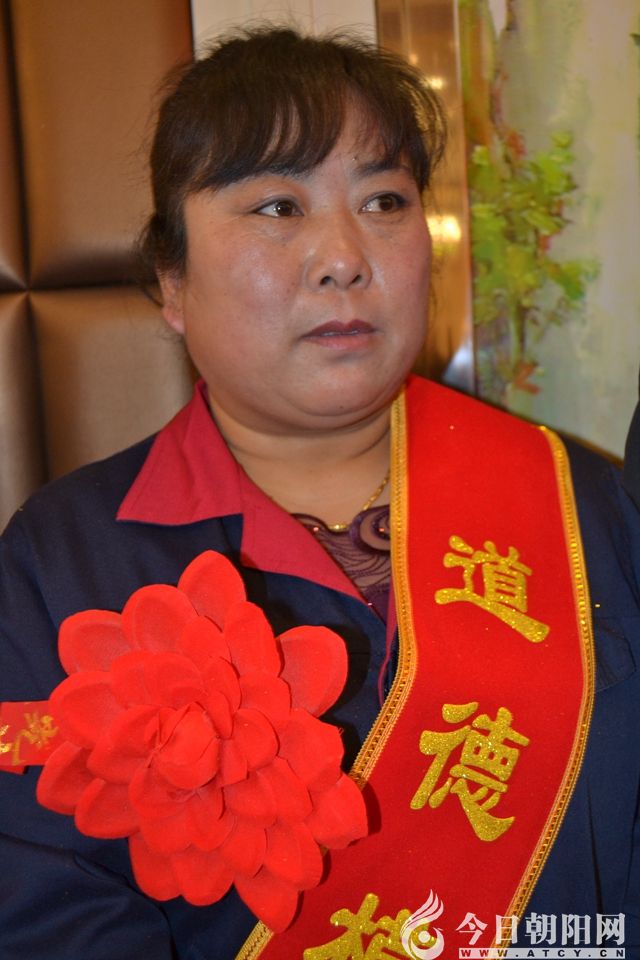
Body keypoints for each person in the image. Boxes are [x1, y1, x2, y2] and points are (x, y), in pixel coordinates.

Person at [0, 26, 638, 960]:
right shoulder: (58, 564)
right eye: (277, 206)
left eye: (384, 201)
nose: (344, 256)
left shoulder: (582, 506)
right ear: (172, 280)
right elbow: (41, 907)